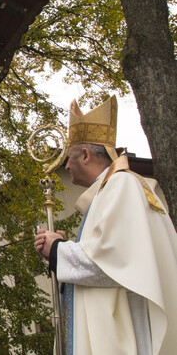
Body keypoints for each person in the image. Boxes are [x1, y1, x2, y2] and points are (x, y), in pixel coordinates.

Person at [34, 96, 177, 355]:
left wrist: (57, 250)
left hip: (131, 326)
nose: (66, 166)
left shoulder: (121, 186)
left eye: (70, 158)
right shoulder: (113, 190)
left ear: (86, 155)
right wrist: (64, 249)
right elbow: (110, 254)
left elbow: (112, 260)